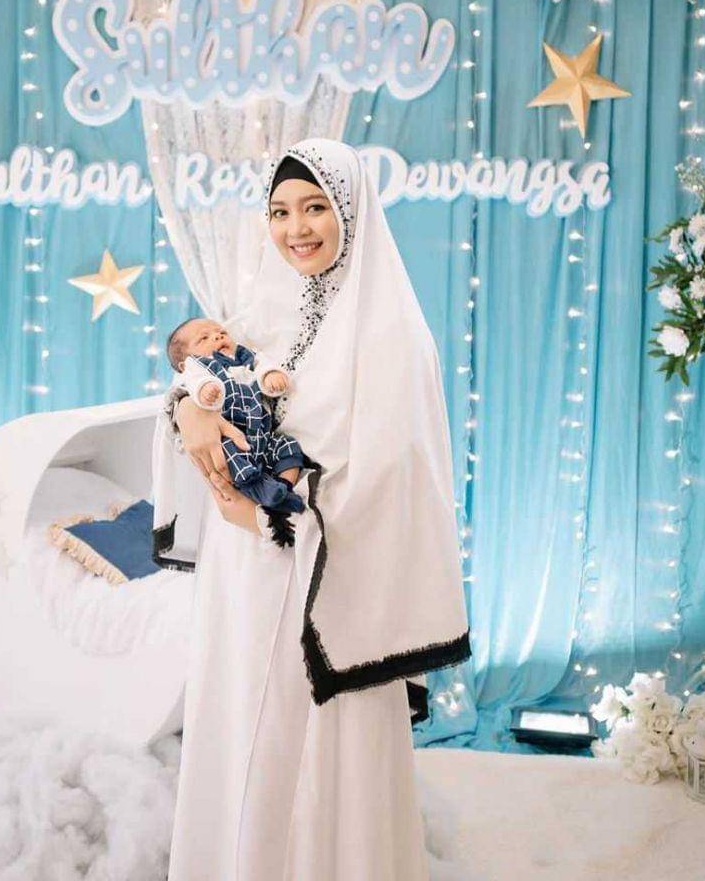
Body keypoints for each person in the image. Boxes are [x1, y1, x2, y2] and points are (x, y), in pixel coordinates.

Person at [156, 139, 472, 880]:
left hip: (321, 589)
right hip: (244, 583)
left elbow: (393, 481)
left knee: (310, 768)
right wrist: (188, 410)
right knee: (242, 745)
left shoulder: (392, 334)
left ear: (351, 213)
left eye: (316, 208)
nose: (296, 229)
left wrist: (274, 519)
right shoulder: (265, 310)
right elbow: (201, 376)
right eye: (280, 212)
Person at [164, 316, 305, 524]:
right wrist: (203, 390)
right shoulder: (198, 368)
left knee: (287, 447)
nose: (217, 336)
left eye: (221, 332)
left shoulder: (245, 358)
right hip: (231, 432)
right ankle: (260, 489)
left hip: (262, 432)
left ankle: (285, 488)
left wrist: (270, 376)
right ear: (184, 365)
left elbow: (262, 365)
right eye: (203, 338)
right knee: (230, 457)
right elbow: (190, 384)